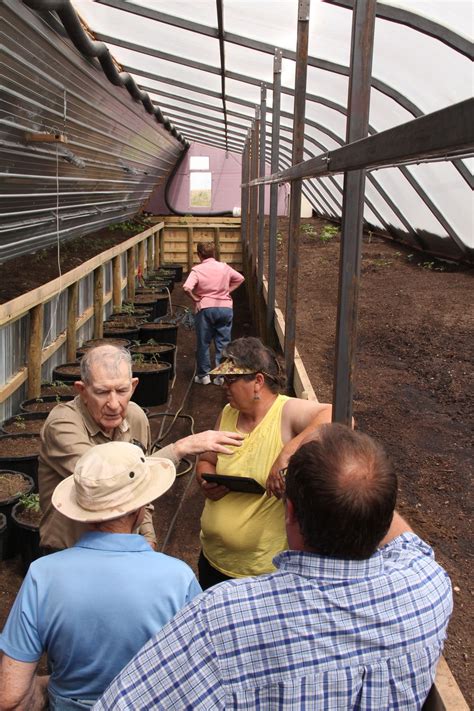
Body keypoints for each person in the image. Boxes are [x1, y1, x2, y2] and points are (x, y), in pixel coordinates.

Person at [94, 424, 453, 710]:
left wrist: (300, 450)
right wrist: (354, 480)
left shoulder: (224, 616)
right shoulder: (426, 588)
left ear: (290, 512)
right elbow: (403, 537)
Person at [0, 441, 202, 710]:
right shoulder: (178, 578)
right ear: (141, 508)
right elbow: (198, 675)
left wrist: (50, 690)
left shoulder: (42, 575)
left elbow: (11, 697)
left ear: (82, 512)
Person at [39, 344, 244, 552]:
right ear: (82, 390)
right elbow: (108, 482)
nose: (113, 403)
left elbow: (139, 491)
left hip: (123, 552)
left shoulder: (135, 417)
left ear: (134, 386)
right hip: (71, 555)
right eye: (102, 392)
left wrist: (148, 536)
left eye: (122, 391)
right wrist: (179, 448)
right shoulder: (63, 425)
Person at [196, 336, 332, 588]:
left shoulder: (285, 412)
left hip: (260, 572)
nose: (224, 385)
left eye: (231, 379)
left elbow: (337, 415)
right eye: (223, 379)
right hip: (214, 560)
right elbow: (206, 459)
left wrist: (287, 452)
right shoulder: (228, 413)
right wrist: (206, 477)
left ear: (258, 381)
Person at [183, 241, 244, 385]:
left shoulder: (197, 270)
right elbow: (240, 278)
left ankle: (204, 376)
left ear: (199, 255)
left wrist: (196, 298)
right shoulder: (224, 267)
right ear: (214, 254)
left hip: (205, 309)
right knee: (224, 342)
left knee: (203, 342)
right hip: (225, 308)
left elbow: (186, 288)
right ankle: (221, 376)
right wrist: (227, 291)